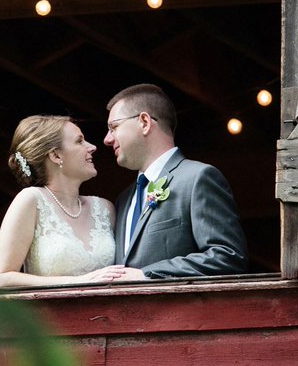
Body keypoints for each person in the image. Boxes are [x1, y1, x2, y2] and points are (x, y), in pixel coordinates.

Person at [103, 84, 249, 279]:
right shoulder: (123, 199)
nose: (107, 139)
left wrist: (146, 274)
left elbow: (227, 256)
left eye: (114, 127)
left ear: (144, 122)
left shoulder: (198, 178)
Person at [0, 115, 126, 288]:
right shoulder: (31, 200)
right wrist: (78, 282)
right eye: (79, 141)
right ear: (55, 155)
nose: (92, 147)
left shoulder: (105, 209)